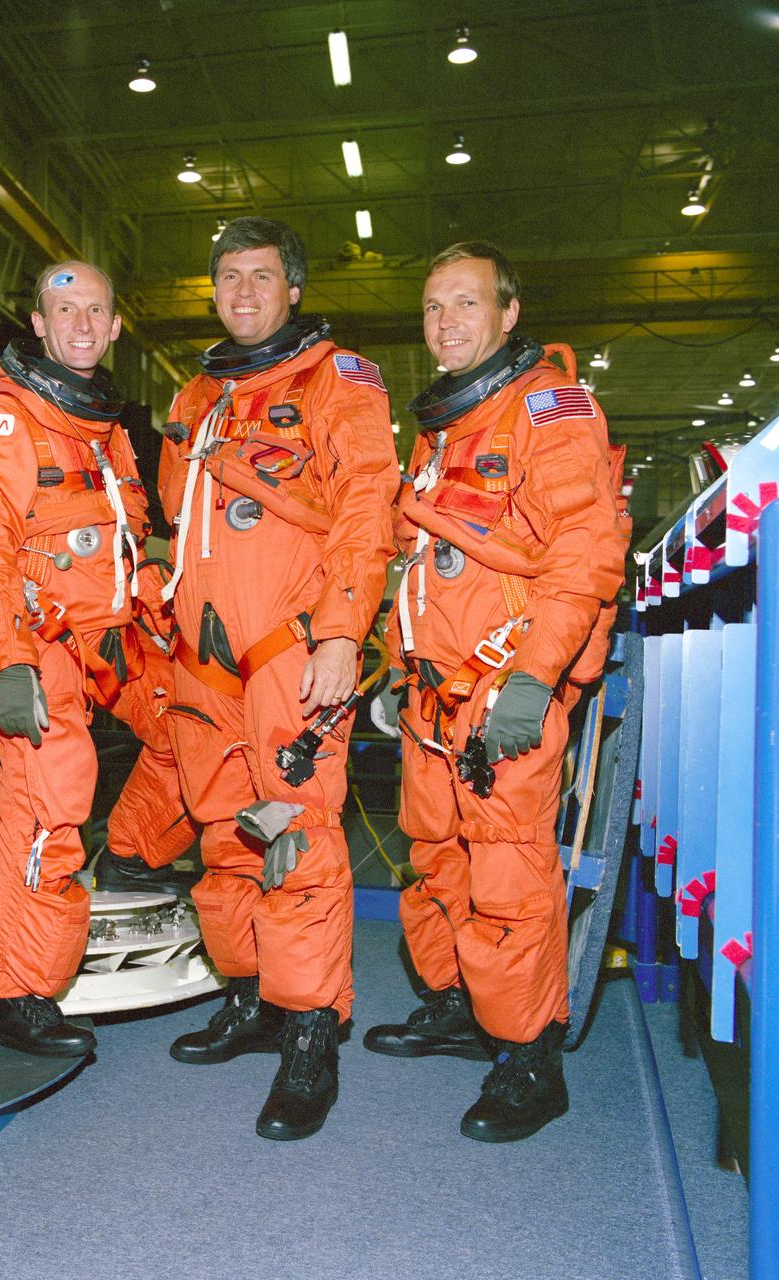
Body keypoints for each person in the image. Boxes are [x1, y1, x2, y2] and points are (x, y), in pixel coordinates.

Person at [365, 241, 628, 1142]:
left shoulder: (549, 411)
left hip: (502, 691)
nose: (447, 323)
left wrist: (533, 680)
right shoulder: (442, 429)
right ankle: (454, 1003)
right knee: (437, 857)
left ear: (509, 313)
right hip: (432, 696)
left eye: (466, 304)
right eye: (434, 307)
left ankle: (528, 1057)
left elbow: (585, 554)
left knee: (511, 874)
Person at [159, 216, 399, 1141]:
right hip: (202, 656)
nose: (245, 293)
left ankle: (311, 1033)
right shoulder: (199, 394)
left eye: (262, 277)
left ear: (293, 288)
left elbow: (366, 510)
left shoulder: (337, 381)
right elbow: (176, 528)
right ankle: (255, 996)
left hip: (288, 649)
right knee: (223, 836)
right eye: (229, 277)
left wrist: (342, 633)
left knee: (296, 836)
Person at [0, 261, 197, 1058]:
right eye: (65, 311)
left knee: (196, 726)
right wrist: (11, 663)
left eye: (96, 310)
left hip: (110, 633)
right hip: (39, 641)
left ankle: (132, 853)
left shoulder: (105, 426)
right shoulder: (1, 421)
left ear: (116, 324)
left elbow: (124, 539)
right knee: (51, 801)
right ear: (38, 325)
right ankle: (17, 994)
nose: (82, 325)